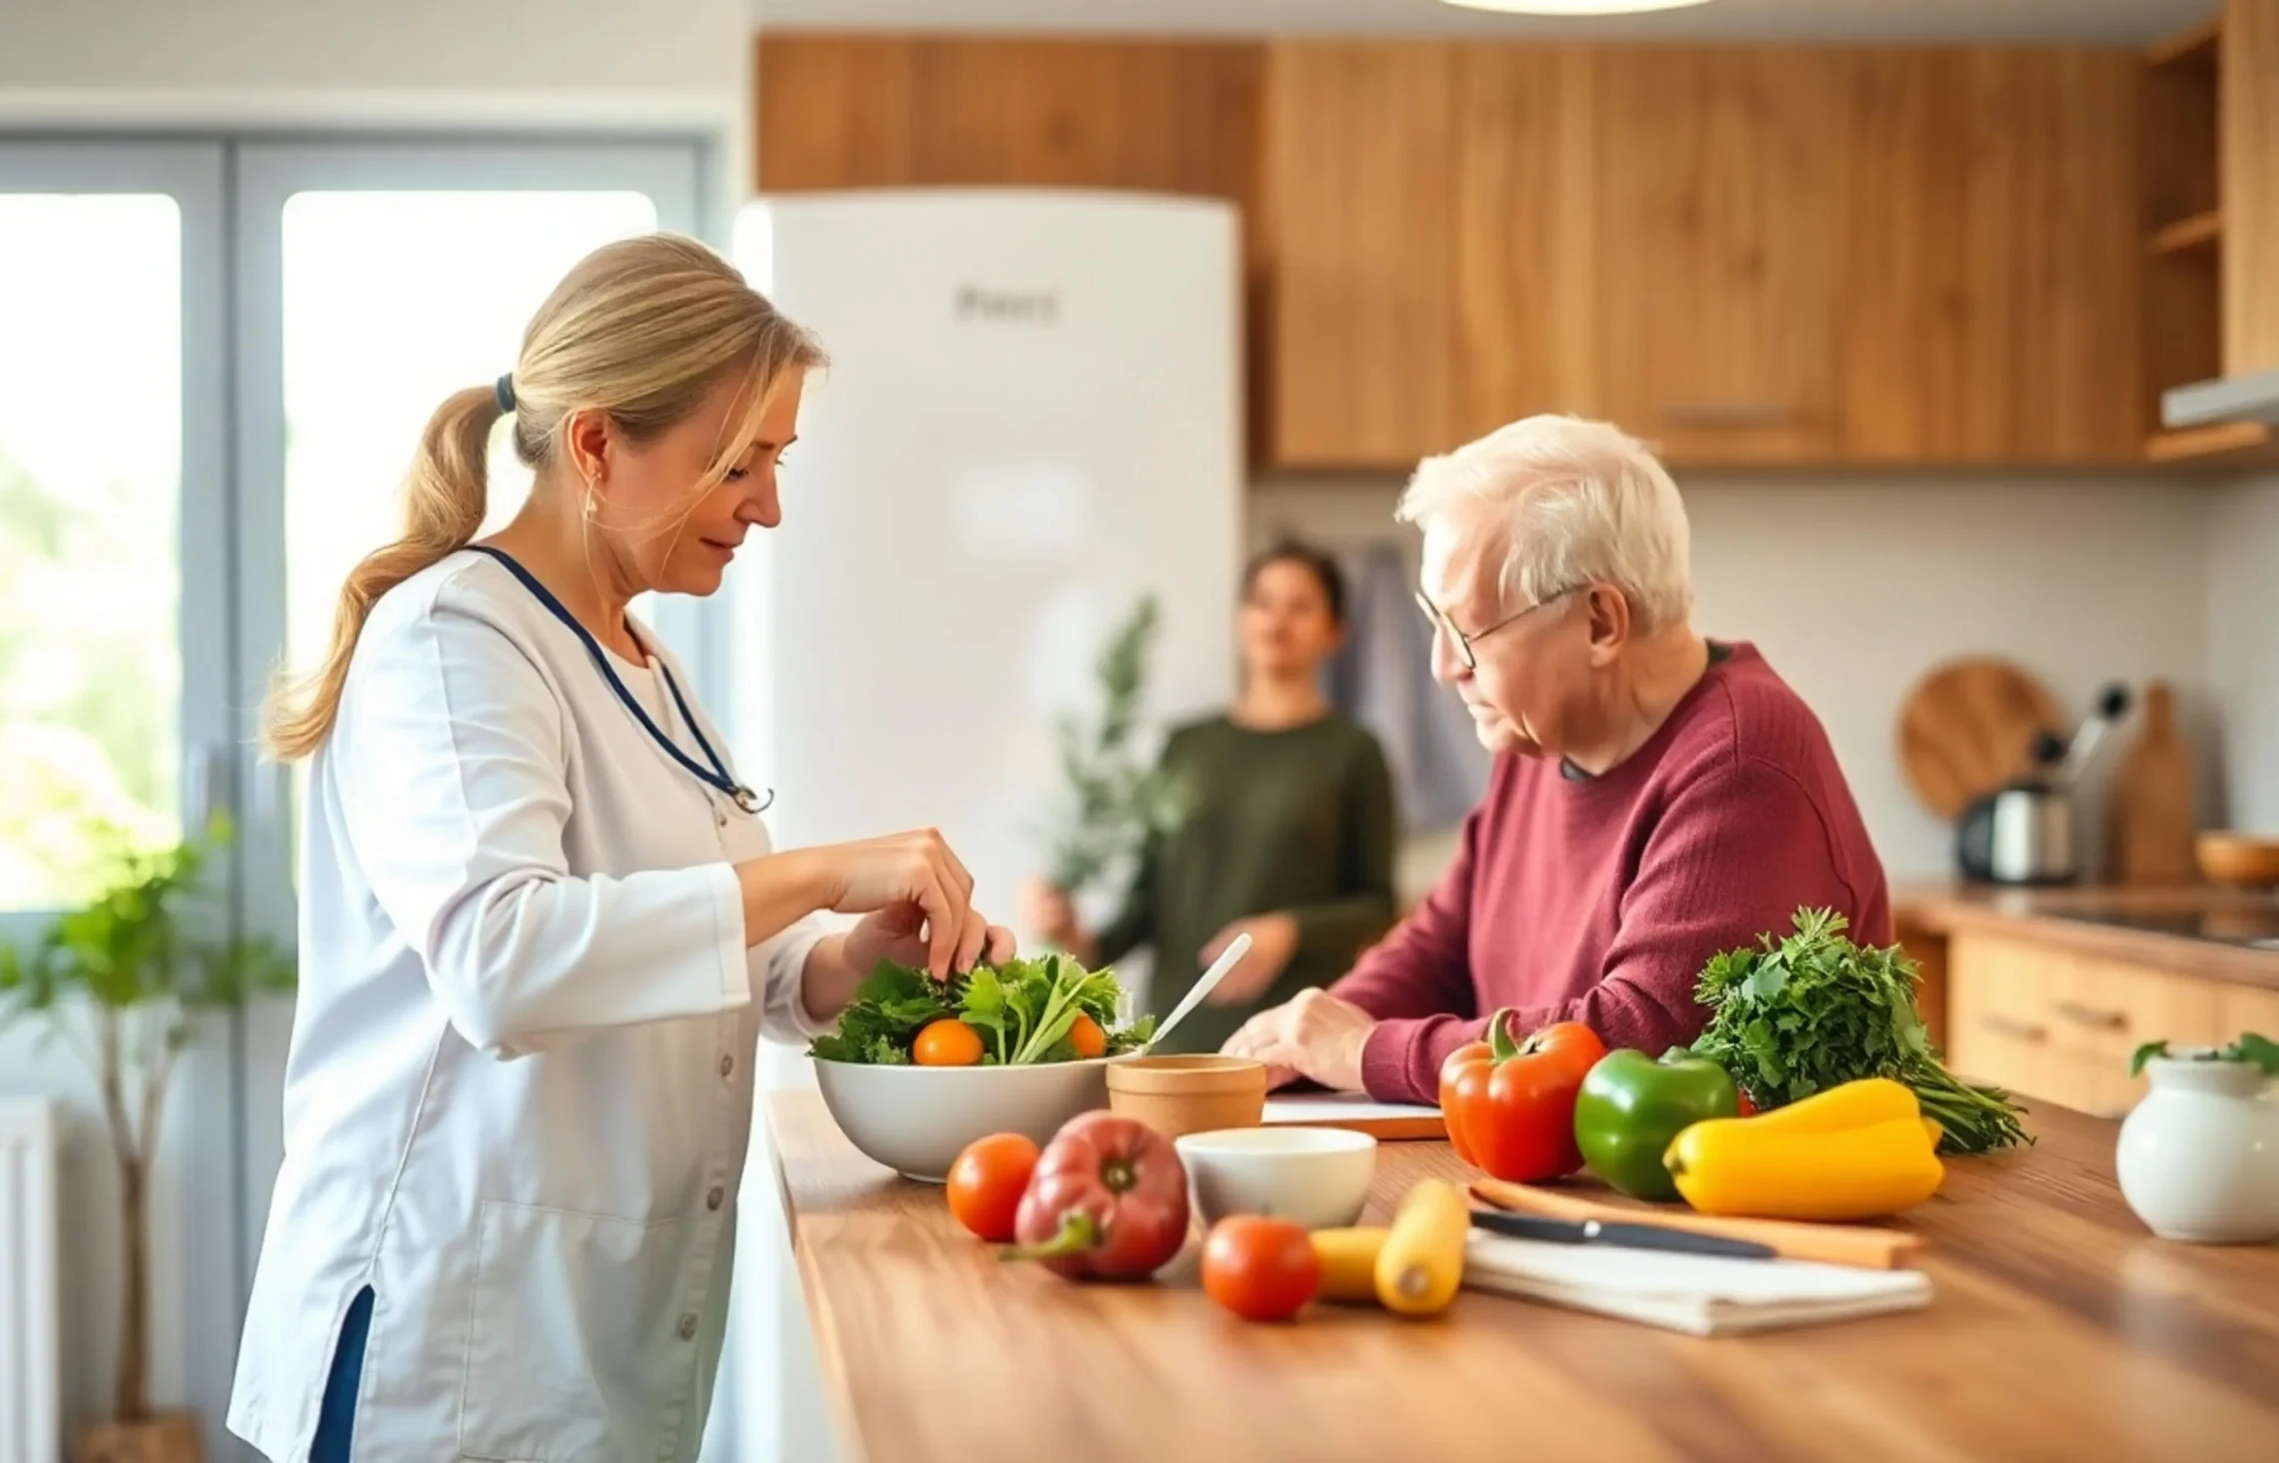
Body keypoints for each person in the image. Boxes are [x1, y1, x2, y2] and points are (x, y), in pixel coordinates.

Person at [228, 236, 1013, 1463]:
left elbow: (717, 959)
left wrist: (851, 959)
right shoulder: (453, 637)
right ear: (595, 446)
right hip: (447, 1352)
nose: (767, 503)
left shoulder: (642, 660)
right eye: (735, 461)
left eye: (776, 461)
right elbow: (506, 961)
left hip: (587, 1338)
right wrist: (815, 870)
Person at [1222, 415, 1889, 1100]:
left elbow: (1640, 1038)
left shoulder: (1741, 763)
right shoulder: (1538, 736)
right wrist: (1305, 1039)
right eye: (1434, 622)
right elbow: (1441, 945)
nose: (1443, 664)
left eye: (1468, 629)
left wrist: (1364, 1049)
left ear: (1601, 621)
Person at [1023, 543, 1399, 1057]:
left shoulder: (1353, 752)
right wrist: (1071, 934)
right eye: (1262, 602)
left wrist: (1288, 930)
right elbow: (1146, 904)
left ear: (1335, 632)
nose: (1276, 621)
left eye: (1300, 606)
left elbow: (1379, 905)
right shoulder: (1186, 746)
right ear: (1241, 618)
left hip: (1287, 1042)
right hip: (1175, 1035)